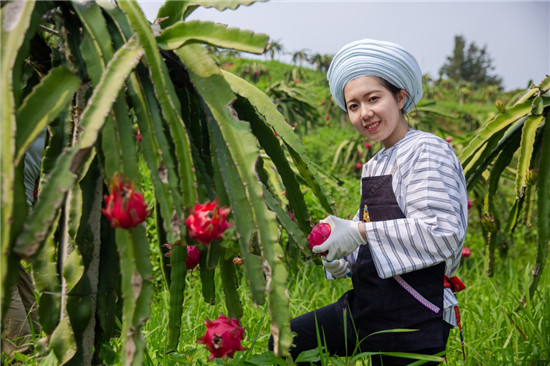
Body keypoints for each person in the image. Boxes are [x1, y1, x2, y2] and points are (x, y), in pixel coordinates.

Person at [271, 39, 468, 365]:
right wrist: (337, 255)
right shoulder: (376, 164)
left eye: (373, 98)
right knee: (290, 340)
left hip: (414, 313)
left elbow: (441, 233)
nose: (365, 113)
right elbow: (368, 243)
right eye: (353, 106)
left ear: (400, 97)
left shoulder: (427, 150)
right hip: (369, 307)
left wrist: (360, 232)